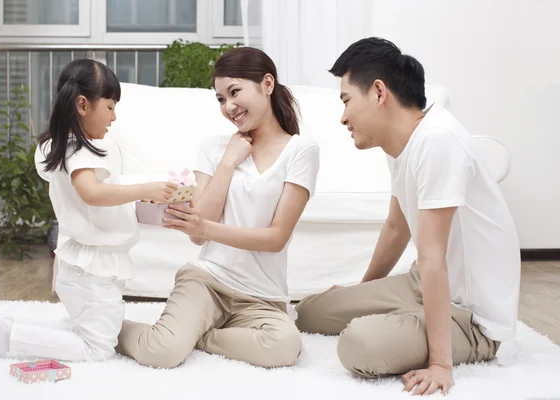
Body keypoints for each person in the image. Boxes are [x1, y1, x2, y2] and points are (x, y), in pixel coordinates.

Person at [294, 37, 521, 396]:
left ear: (379, 92)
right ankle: (397, 321)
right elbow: (397, 227)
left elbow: (433, 257)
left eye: (346, 100)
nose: (343, 117)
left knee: (358, 345)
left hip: (472, 317)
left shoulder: (438, 141)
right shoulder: (402, 144)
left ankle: (424, 339)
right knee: (309, 312)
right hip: (423, 283)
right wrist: (363, 290)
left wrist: (440, 365)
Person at [116, 47, 320, 369]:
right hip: (208, 281)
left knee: (285, 346)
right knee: (162, 352)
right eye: (221, 99)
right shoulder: (214, 147)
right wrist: (228, 161)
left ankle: (199, 335)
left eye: (235, 92)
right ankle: (104, 323)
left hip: (262, 297)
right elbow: (199, 235)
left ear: (267, 84)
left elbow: (276, 237)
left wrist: (204, 228)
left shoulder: (300, 151)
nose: (229, 106)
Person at [0, 59, 177, 363]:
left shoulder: (57, 145)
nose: (114, 117)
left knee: (96, 325)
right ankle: (13, 335)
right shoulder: (79, 150)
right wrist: (145, 189)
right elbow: (92, 193)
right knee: (99, 349)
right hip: (91, 271)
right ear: (82, 104)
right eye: (109, 106)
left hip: (81, 265)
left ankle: (66, 330)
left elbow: (95, 199)